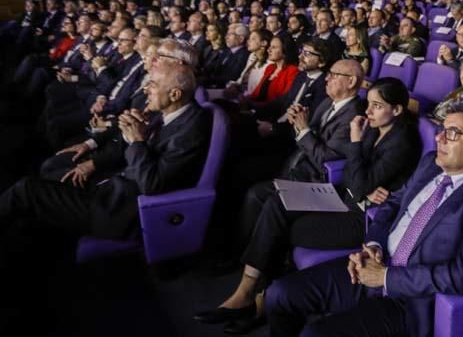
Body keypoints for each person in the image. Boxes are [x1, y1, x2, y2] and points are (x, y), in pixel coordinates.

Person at [263, 102, 463, 337]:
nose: (438, 137)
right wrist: (373, 245)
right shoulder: (431, 162)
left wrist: (386, 278)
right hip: (376, 262)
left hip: (410, 299)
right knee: (279, 294)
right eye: (441, 129)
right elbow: (392, 205)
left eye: (452, 133)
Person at [195, 78, 422, 333]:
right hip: (343, 197)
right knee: (277, 204)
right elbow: (350, 175)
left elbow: (357, 183)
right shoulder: (374, 127)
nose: (368, 111)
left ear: (398, 110)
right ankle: (248, 291)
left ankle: (260, 301)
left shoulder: (403, 141)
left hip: (361, 217)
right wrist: (363, 182)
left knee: (281, 231)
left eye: (377, 106)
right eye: (368, 103)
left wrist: (356, 144)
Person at [0, 63, 210, 261]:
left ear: (174, 94)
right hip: (111, 187)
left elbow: (151, 184)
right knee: (49, 177)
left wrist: (137, 140)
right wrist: (135, 133)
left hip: (118, 210)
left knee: (25, 189)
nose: (146, 89)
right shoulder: (166, 114)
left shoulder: (191, 130)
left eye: (153, 85)